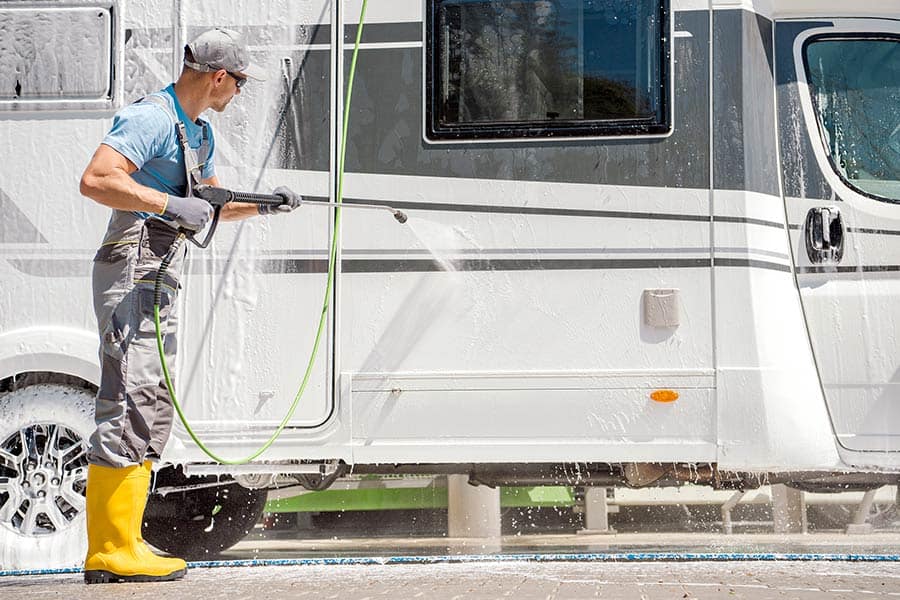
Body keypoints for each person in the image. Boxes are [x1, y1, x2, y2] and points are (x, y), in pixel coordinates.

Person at [78, 28, 301, 584]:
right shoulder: (152, 117)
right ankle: (107, 549)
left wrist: (266, 205)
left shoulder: (198, 134)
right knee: (128, 397)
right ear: (219, 76)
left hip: (158, 274)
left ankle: (127, 541)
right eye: (240, 83)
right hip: (131, 267)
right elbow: (97, 178)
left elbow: (209, 207)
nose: (240, 93)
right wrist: (167, 201)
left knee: (151, 404)